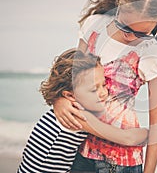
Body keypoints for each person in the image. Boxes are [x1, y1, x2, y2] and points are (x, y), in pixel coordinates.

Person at [53, 0, 157, 173]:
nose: (131, 37)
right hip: (80, 149)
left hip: (121, 161)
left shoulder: (153, 55)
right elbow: (72, 77)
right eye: (125, 26)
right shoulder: (94, 27)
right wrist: (59, 100)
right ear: (120, 6)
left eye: (142, 33)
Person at [17, 49, 148, 173]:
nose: (104, 93)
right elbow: (127, 138)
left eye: (103, 84)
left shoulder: (63, 106)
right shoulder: (76, 115)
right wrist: (148, 133)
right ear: (69, 95)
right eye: (93, 89)